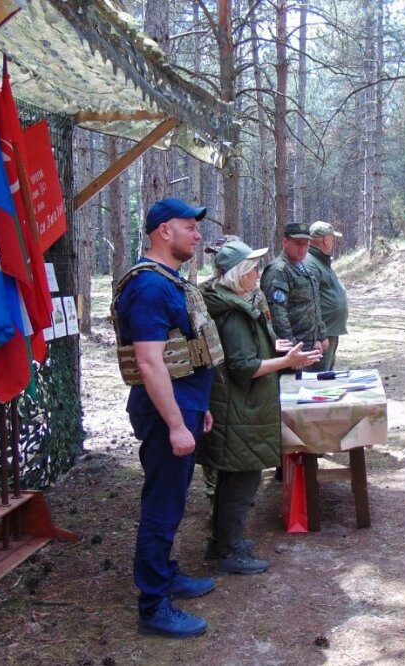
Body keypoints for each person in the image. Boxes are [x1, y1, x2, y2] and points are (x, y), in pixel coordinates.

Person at [112, 197, 220, 639]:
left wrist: (199, 406)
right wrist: (176, 423)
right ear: (164, 232)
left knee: (172, 500)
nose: (197, 234)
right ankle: (153, 604)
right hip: (165, 413)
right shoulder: (150, 287)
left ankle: (167, 573)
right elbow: (151, 362)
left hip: (183, 405)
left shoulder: (167, 280)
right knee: (162, 503)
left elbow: (183, 353)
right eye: (189, 226)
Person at [201, 240, 321, 575]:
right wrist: (286, 360)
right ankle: (228, 551)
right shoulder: (234, 314)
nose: (257, 274)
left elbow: (245, 353)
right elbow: (242, 367)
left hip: (240, 409)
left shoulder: (231, 305)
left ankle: (225, 542)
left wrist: (273, 346)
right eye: (252, 269)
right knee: (241, 481)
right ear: (239, 276)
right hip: (241, 410)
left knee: (233, 479)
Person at [261, 222, 328, 353]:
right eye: (298, 244)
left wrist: (320, 336)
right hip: (293, 350)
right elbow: (277, 315)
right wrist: (292, 349)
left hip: (310, 346)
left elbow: (313, 305)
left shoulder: (304, 269)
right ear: (285, 242)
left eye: (306, 244)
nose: (303, 249)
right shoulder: (278, 271)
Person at [304, 221, 349, 370]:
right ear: (325, 240)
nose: (333, 242)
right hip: (322, 333)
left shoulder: (320, 261)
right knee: (320, 376)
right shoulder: (311, 263)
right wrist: (319, 334)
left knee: (327, 372)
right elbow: (309, 302)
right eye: (332, 238)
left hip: (329, 330)